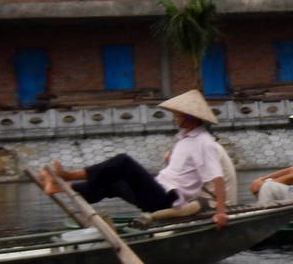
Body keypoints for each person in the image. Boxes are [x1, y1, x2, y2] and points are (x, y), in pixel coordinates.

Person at [39, 89, 229, 230]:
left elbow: (217, 178)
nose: (174, 118)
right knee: (112, 182)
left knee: (123, 162)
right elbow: (185, 170)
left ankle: (68, 176)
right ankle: (58, 187)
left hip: (166, 200)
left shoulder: (204, 143)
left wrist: (220, 212)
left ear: (189, 117)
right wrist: (171, 159)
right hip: (156, 190)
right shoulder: (185, 138)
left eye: (177, 115)